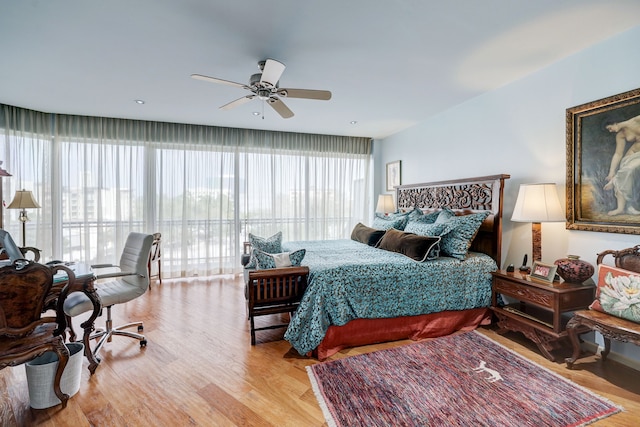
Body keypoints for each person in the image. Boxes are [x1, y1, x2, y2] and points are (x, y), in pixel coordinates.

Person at [603, 114, 640, 216]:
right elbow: (618, 154)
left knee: (629, 169)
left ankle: (614, 181)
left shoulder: (637, 120)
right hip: (631, 155)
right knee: (625, 172)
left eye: (610, 128)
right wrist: (611, 172)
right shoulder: (620, 135)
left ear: (615, 123)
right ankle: (622, 208)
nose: (611, 131)